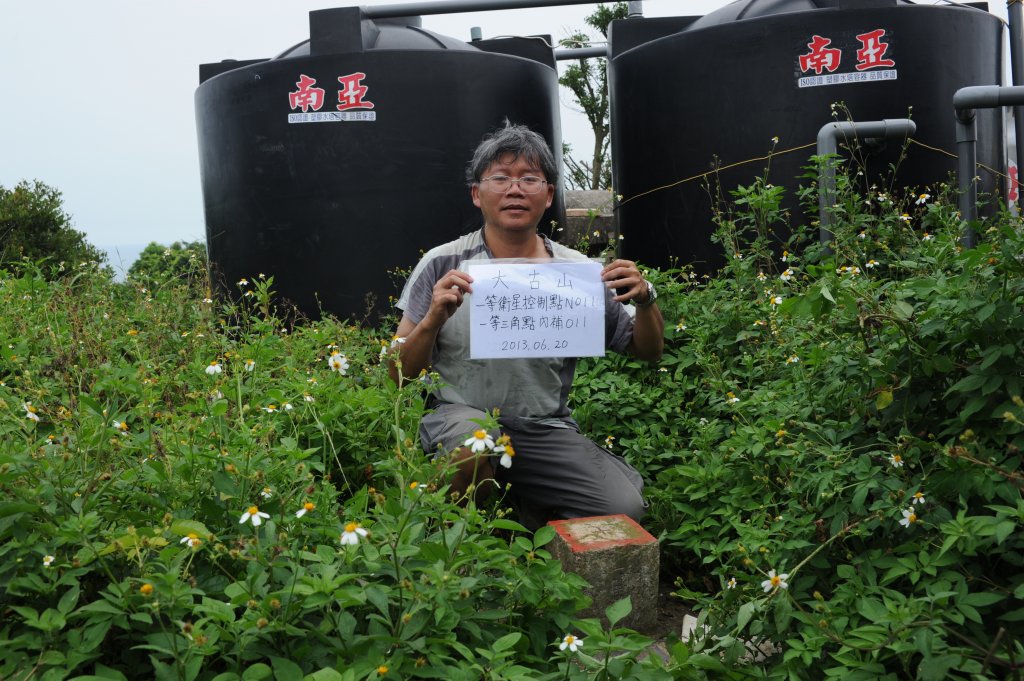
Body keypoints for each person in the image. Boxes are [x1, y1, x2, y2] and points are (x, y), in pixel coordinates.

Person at [389, 122, 663, 528]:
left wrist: (645, 300)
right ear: (477, 194)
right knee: (471, 451)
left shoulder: (579, 272)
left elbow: (647, 351)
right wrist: (431, 321)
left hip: (543, 426)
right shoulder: (444, 263)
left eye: (529, 179)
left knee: (623, 508)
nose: (514, 189)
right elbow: (396, 376)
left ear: (548, 195)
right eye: (500, 178)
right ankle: (467, 537)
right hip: (462, 418)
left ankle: (520, 509)